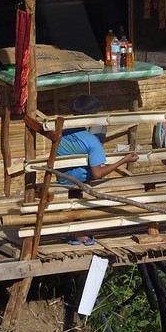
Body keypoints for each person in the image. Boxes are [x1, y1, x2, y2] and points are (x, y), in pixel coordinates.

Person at [56, 94, 139, 246]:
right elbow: (97, 174)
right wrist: (124, 160)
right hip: (79, 179)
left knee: (99, 130)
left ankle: (77, 232)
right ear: (91, 115)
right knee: (100, 130)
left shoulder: (61, 131)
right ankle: (80, 235)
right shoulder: (92, 142)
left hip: (62, 176)